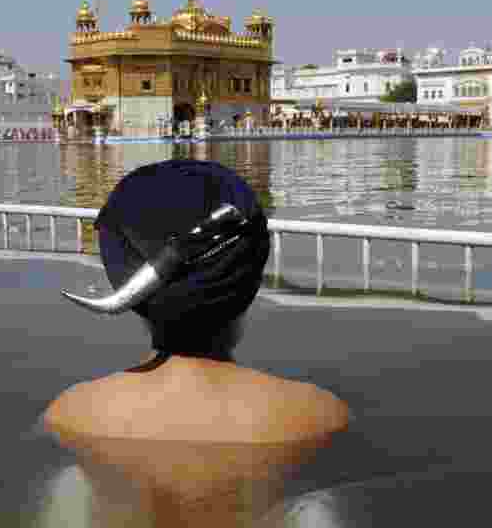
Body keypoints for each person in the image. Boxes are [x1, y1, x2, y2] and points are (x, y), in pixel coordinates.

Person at [41, 159, 351, 526]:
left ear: (122, 282)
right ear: (250, 280)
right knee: (317, 503)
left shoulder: (70, 414)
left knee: (72, 482)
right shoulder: (320, 415)